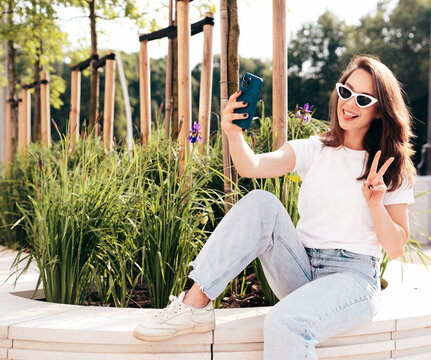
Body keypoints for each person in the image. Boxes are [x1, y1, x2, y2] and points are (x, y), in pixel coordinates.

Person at [133, 54, 416, 359]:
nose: (349, 104)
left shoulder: (391, 166)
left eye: (363, 99)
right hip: (301, 268)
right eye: (345, 92)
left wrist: (376, 204)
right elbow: (251, 166)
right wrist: (233, 134)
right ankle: (195, 304)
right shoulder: (315, 149)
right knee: (262, 203)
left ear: (379, 110)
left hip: (353, 279)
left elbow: (396, 248)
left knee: (285, 322)